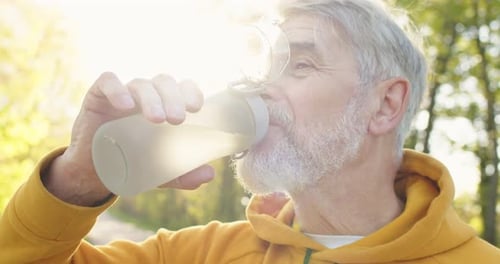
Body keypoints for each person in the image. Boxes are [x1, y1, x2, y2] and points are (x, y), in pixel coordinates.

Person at [1, 0, 499, 263]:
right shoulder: (199, 255)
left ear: (386, 104)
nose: (259, 88)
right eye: (265, 67)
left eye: (300, 64)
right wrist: (77, 181)